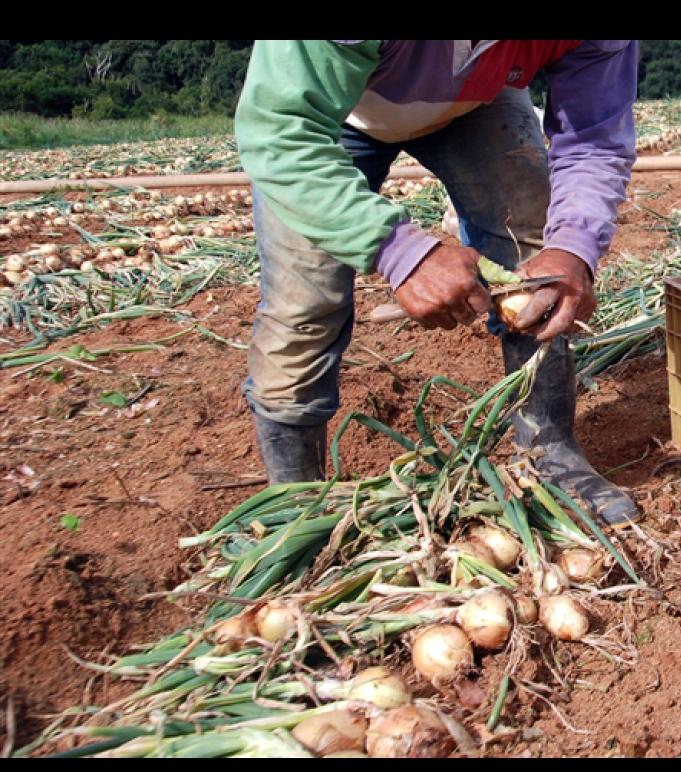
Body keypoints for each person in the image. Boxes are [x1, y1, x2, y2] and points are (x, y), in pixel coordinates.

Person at [234, 40, 641, 525]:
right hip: (326, 116)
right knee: (304, 298)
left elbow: (594, 138)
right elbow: (281, 130)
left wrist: (573, 247)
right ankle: (294, 502)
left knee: (531, 245)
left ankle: (548, 453)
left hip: (476, 103)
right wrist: (400, 251)